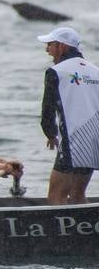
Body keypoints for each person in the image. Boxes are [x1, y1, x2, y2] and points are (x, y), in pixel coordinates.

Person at [38, 26, 99, 204]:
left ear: (62, 46)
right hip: (94, 140)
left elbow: (48, 107)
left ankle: (56, 231)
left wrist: (50, 133)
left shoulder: (56, 72)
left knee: (56, 195)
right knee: (78, 194)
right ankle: (86, 230)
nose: (46, 49)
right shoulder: (95, 71)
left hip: (74, 140)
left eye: (50, 45)